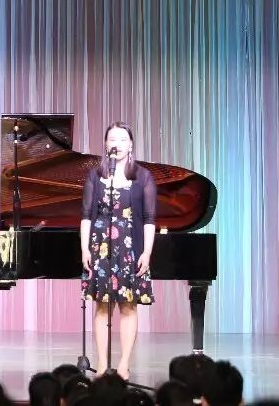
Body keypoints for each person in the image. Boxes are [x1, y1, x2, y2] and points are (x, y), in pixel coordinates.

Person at [80, 124, 157, 381]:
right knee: (102, 306)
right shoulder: (95, 176)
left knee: (128, 306)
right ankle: (102, 364)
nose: (117, 143)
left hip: (130, 248)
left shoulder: (143, 177)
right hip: (101, 247)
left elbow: (149, 219)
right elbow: (86, 216)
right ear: (106, 144)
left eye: (123, 139)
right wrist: (84, 248)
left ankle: (123, 365)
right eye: (113, 139)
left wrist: (147, 252)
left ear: (131, 144)